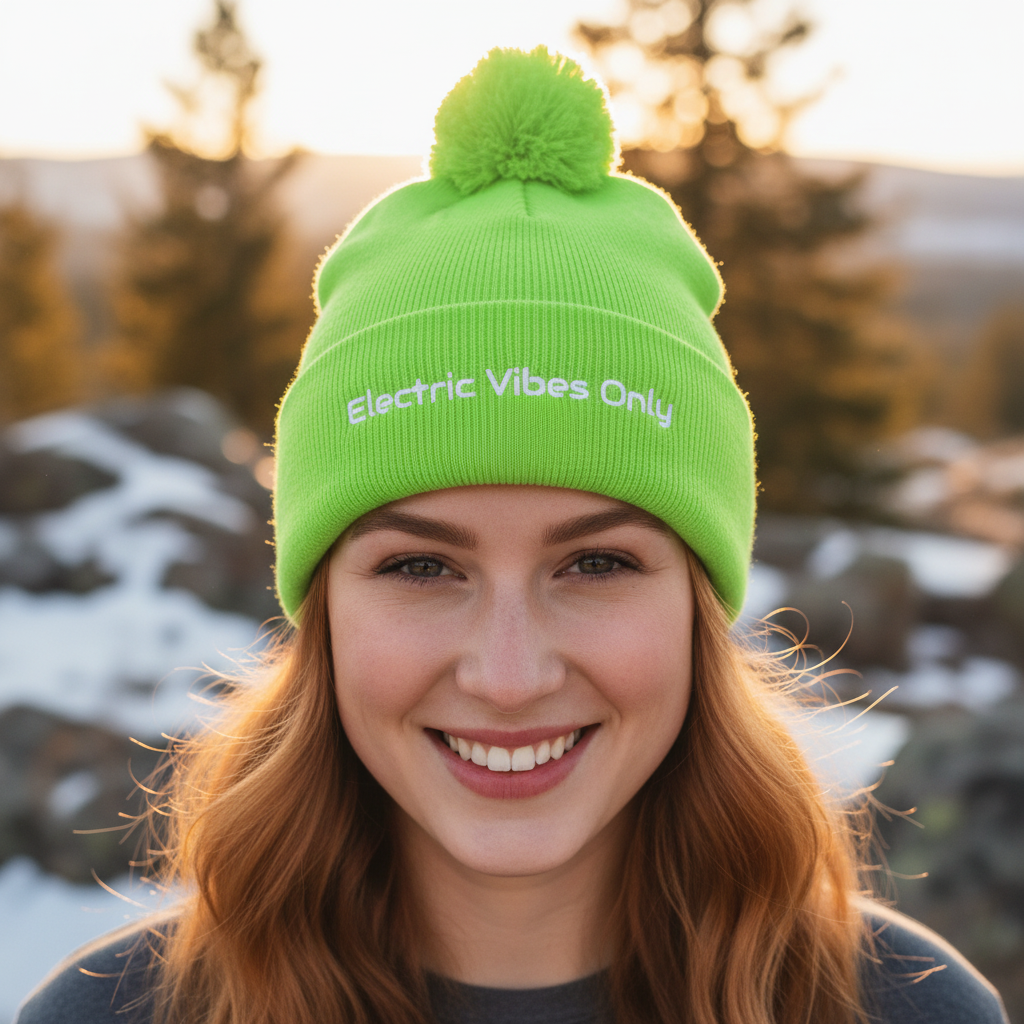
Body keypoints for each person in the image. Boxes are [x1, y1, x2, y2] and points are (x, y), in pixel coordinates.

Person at [16, 45, 1008, 1024]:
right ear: (323, 610)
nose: (508, 674)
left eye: (595, 562)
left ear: (696, 602)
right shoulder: (116, 1015)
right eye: (418, 564)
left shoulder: (899, 1009)